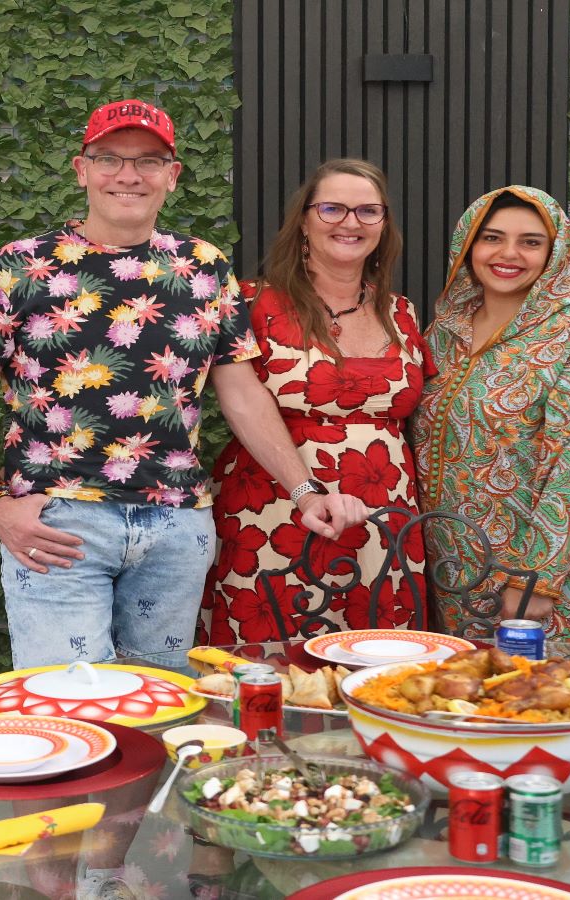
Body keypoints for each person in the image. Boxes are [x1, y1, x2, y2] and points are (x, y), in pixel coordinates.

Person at [0, 99, 366, 669]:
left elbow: (239, 392)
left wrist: (304, 490)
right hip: (59, 522)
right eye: (110, 158)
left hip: (176, 525)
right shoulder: (20, 266)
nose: (128, 175)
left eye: (148, 161)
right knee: (69, 702)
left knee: (161, 704)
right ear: (81, 169)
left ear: (173, 175)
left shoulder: (203, 267)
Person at [200, 159, 434, 643]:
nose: (351, 223)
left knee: (378, 660)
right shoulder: (250, 303)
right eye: (332, 208)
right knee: (270, 656)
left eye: (369, 211)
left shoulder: (403, 313)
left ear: (384, 225)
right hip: (272, 509)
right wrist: (306, 491)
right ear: (303, 220)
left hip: (383, 517)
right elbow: (237, 401)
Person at [412, 186, 570, 641]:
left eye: (530, 241)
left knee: (542, 702)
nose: (509, 253)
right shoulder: (443, 333)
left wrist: (536, 579)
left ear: (555, 253)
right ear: (468, 246)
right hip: (452, 568)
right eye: (492, 238)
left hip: (536, 579)